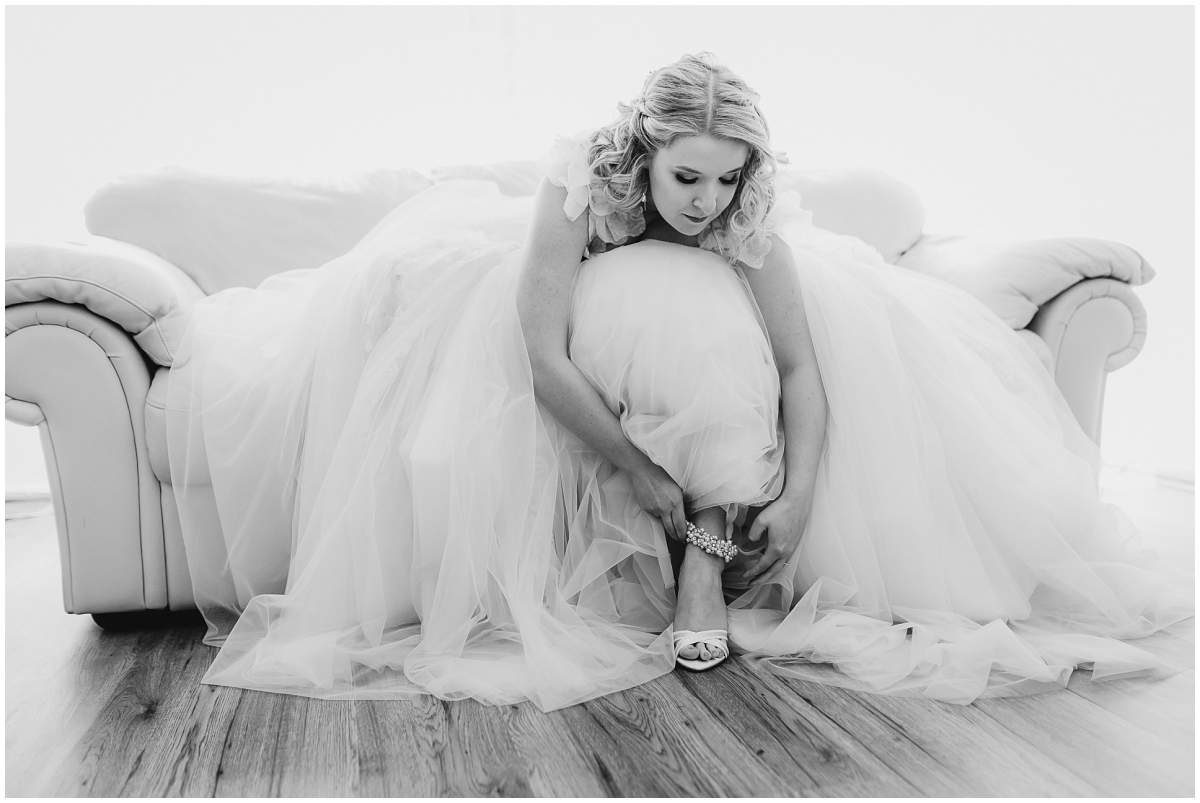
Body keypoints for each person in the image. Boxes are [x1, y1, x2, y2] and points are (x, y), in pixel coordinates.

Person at [165, 52, 1189, 713]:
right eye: (685, 175)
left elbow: (799, 369)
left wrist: (793, 494)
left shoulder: (750, 226)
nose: (706, 199)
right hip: (540, 328)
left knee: (713, 315)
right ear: (642, 156)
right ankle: (681, 544)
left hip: (697, 367)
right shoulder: (584, 190)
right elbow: (541, 351)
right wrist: (634, 469)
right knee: (663, 295)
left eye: (727, 177)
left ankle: (706, 563)